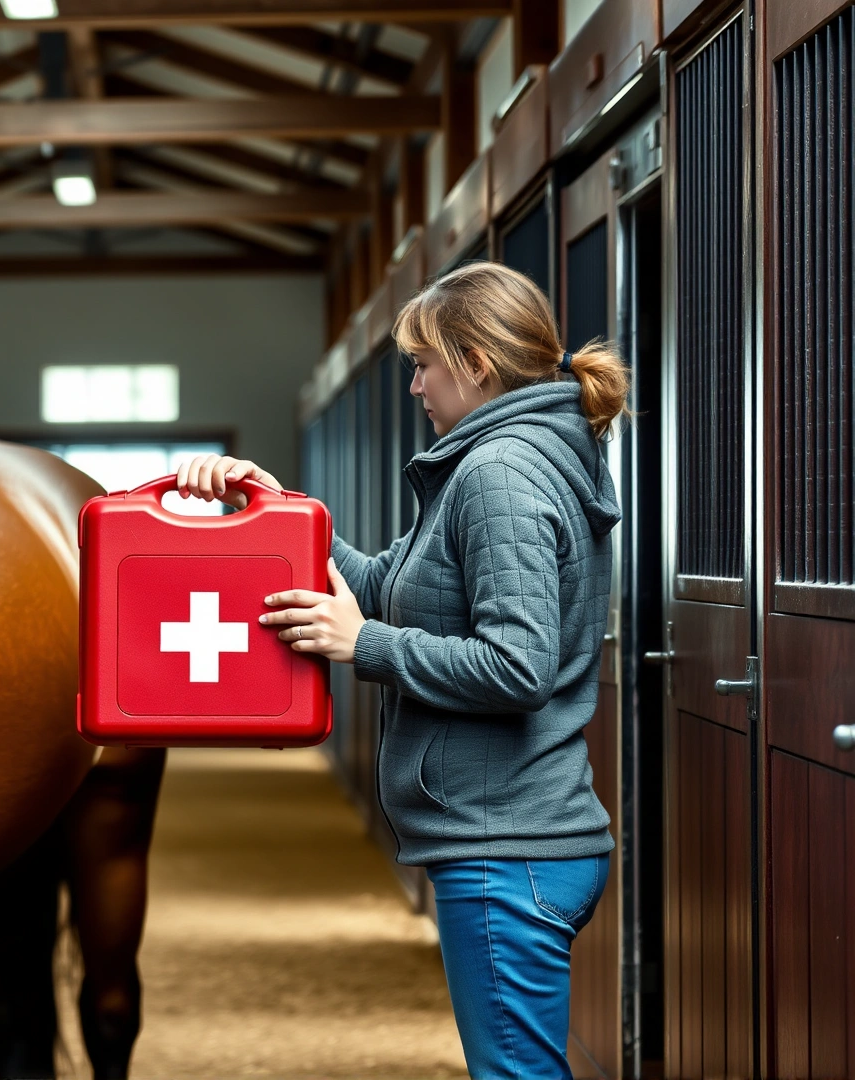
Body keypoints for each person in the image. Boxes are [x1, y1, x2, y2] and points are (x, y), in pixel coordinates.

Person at [177, 261, 627, 1080]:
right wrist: (276, 512)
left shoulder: (498, 475)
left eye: (424, 364)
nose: (415, 385)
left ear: (477, 366)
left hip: (507, 844)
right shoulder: (513, 459)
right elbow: (388, 585)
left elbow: (516, 666)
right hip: (524, 836)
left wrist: (365, 646)